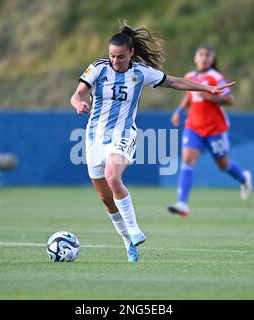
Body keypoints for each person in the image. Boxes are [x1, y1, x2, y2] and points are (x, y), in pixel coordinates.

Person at [70, 22, 235, 262]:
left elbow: (175, 81)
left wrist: (207, 88)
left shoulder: (140, 72)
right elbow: (76, 95)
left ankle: (135, 230)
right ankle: (128, 242)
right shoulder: (97, 68)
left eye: (121, 57)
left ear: (131, 53)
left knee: (113, 176)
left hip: (124, 134)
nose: (116, 61)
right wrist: (78, 104)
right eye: (112, 56)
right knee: (106, 199)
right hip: (94, 137)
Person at [167, 44, 251, 218]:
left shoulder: (216, 77)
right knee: (187, 160)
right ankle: (182, 203)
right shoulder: (189, 76)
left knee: (223, 165)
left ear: (212, 59)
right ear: (195, 58)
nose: (204, 58)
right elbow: (188, 95)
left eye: (207, 55)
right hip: (194, 127)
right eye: (201, 54)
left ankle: (243, 178)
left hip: (215, 129)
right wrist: (179, 111)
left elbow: (230, 99)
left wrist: (209, 96)